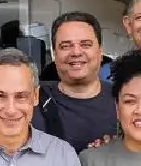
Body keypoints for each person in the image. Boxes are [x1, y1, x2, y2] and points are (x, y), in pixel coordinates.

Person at [36, 11, 118, 151]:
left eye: (85, 44)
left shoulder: (124, 100)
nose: (76, 52)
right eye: (66, 46)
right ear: (55, 54)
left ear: (100, 52)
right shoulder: (30, 102)